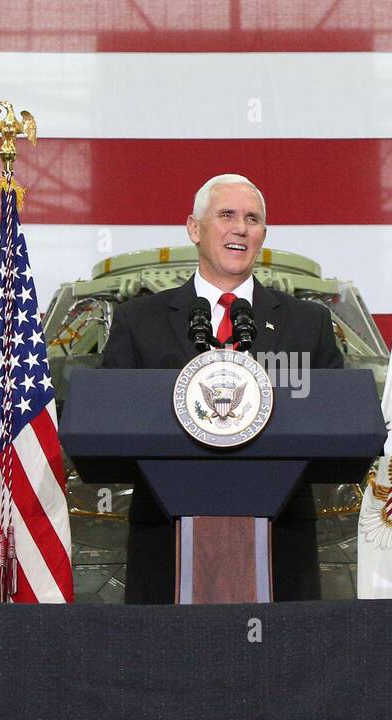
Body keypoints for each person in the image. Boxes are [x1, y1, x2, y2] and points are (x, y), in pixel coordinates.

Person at [101, 173, 344, 603]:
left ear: (262, 234)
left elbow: (338, 420)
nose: (240, 228)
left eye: (252, 219)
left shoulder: (307, 323)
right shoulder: (140, 321)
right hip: (167, 540)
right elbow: (107, 421)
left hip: (280, 542)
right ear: (194, 228)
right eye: (226, 215)